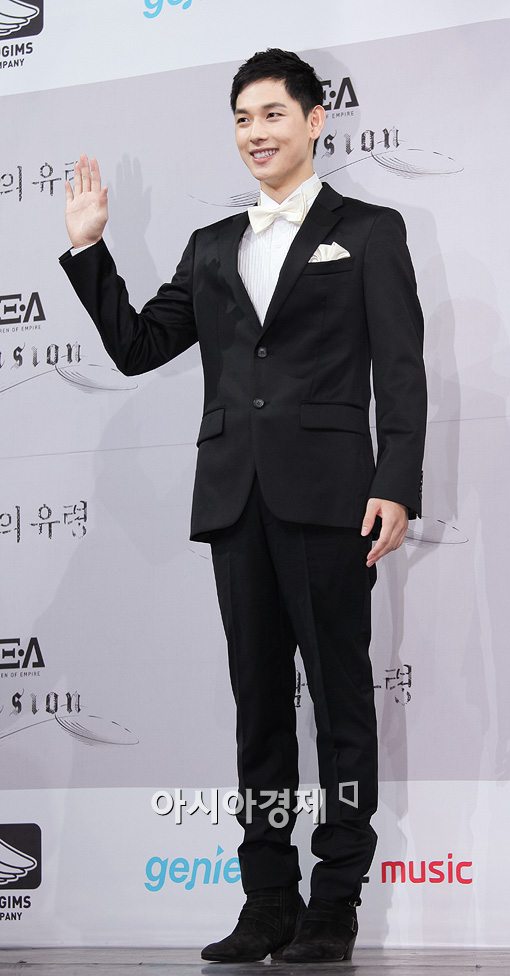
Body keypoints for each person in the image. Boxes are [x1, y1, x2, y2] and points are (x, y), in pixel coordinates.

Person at [60, 48, 427, 963]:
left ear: (314, 121)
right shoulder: (212, 245)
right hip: (235, 503)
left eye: (272, 115)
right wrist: (90, 249)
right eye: (241, 119)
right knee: (258, 708)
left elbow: (401, 369)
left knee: (340, 705)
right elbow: (139, 348)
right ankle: (267, 900)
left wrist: (395, 481)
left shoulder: (369, 230)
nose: (255, 133)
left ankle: (334, 903)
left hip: (332, 500)